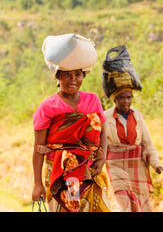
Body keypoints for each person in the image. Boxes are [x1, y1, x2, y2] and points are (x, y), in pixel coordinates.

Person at [32, 69, 112, 212]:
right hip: (59, 173)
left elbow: (103, 133)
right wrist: (37, 183)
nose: (73, 79)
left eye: (78, 74)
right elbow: (38, 149)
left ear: (83, 76)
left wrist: (102, 160)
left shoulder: (92, 100)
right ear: (58, 76)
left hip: (89, 170)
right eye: (67, 74)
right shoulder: (47, 107)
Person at [104, 87, 163, 212]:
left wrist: (156, 164)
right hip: (115, 165)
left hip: (137, 165)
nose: (126, 101)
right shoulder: (106, 117)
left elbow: (147, 142)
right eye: (121, 98)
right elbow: (100, 143)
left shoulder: (137, 115)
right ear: (115, 100)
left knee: (139, 204)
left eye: (129, 97)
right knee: (123, 202)